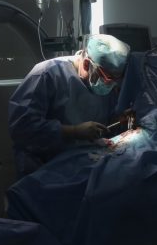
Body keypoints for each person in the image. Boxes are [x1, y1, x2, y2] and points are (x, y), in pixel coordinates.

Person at [8, 34, 131, 179]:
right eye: (108, 78)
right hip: (44, 167)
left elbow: (107, 121)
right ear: (86, 64)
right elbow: (22, 127)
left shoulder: (104, 83)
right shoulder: (47, 74)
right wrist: (73, 131)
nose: (111, 84)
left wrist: (119, 120)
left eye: (117, 79)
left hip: (85, 163)